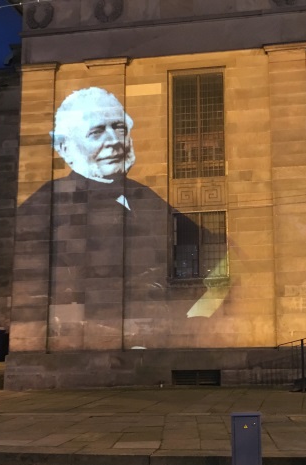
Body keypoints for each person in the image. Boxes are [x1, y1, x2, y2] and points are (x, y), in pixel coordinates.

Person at [18, 88, 227, 341]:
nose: (114, 140)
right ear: (64, 147)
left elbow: (218, 254)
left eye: (119, 128)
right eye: (96, 132)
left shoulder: (145, 195)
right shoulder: (43, 204)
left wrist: (201, 311)